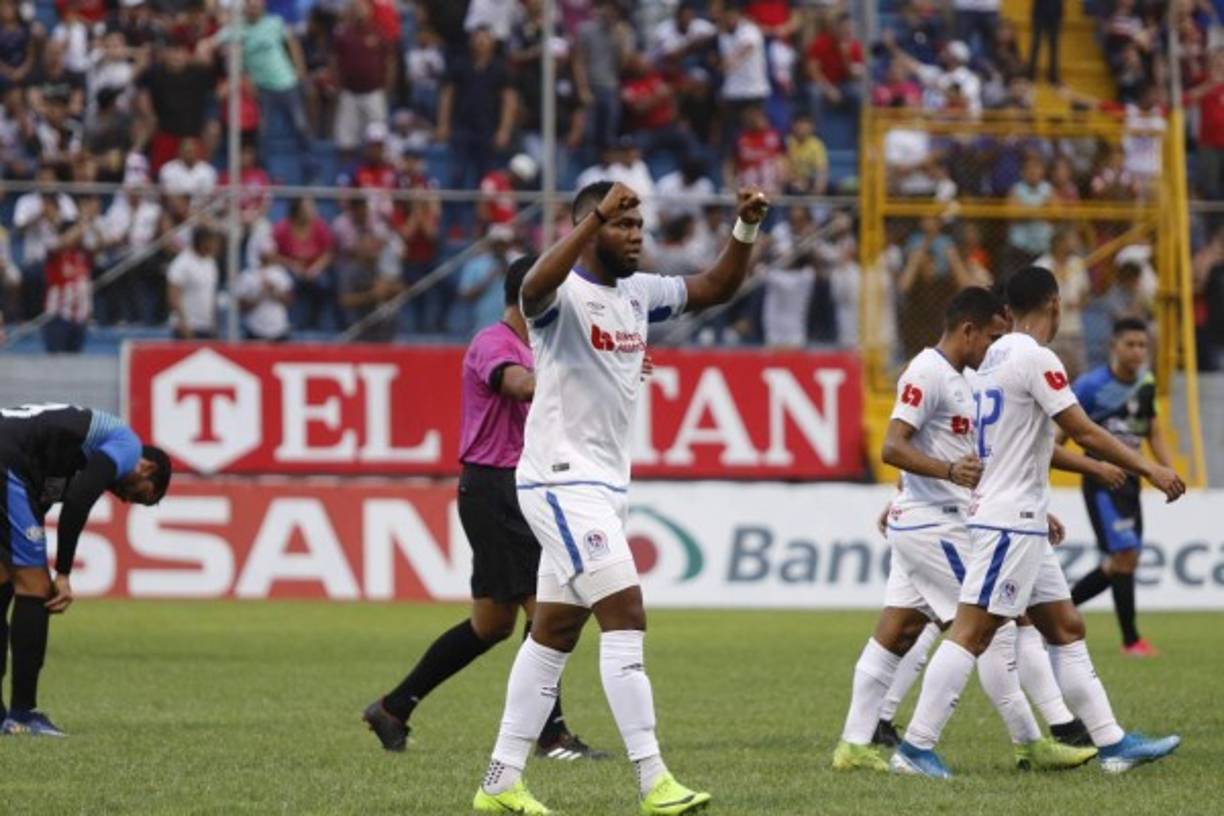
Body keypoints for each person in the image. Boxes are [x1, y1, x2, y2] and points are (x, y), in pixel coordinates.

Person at [471, 180, 769, 815]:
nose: (636, 233)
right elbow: (532, 288)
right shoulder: (560, 294)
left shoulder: (637, 295)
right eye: (621, 224)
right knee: (627, 613)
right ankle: (653, 780)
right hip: (559, 480)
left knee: (552, 634)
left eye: (639, 224)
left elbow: (714, 287)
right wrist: (590, 219)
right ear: (591, 227)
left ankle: (498, 783)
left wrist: (744, 228)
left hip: (602, 487)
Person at [890, 266, 1186, 779]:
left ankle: (1112, 743)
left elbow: (1033, 442)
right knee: (971, 632)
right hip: (1010, 522)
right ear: (1054, 303)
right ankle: (915, 748)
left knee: (1065, 626)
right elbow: (1082, 430)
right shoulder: (1034, 357)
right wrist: (1150, 467)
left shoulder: (991, 359)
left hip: (1015, 516)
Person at [832, 287, 1098, 774]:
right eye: (993, 336)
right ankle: (1034, 739)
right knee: (996, 624)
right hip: (936, 525)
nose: (998, 346)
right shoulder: (926, 372)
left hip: (931, 518)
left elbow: (968, 447)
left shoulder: (973, 379)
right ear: (968, 330)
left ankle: (853, 743)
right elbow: (894, 446)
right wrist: (945, 474)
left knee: (897, 631)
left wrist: (1036, 509)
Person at [362, 255, 608, 762]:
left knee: (491, 624)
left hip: (516, 489)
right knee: (550, 612)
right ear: (531, 297)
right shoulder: (493, 343)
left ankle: (393, 708)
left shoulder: (540, 345)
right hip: (497, 488)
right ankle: (551, 736)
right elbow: (518, 385)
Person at [0, 404, 171, 734]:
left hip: (10, 455)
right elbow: (79, 501)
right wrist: (62, 574)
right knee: (36, 588)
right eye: (143, 496)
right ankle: (22, 715)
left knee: (5, 582)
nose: (128, 500)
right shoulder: (127, 443)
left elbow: (42, 501)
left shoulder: (66, 462)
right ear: (146, 466)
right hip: (7, 457)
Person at [1067, 318, 1171, 656]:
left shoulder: (1146, 381)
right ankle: (1129, 640)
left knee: (1125, 559)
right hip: (1102, 482)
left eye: (1143, 345)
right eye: (1131, 344)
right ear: (1114, 346)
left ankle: (1059, 614)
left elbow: (1151, 430)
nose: (1138, 351)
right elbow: (1060, 432)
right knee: (1124, 554)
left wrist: (1165, 469)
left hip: (1132, 483)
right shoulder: (1089, 386)